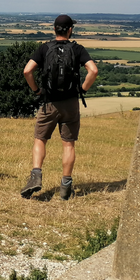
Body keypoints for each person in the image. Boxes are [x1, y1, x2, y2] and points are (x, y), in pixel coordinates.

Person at [21, 14, 98, 200]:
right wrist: (82, 90)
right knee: (68, 143)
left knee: (40, 139)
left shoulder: (44, 48)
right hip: (70, 103)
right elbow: (93, 70)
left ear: (54, 29)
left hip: (49, 102)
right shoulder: (78, 49)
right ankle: (65, 187)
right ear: (70, 30)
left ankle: (36, 176)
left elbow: (27, 70)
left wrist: (37, 90)